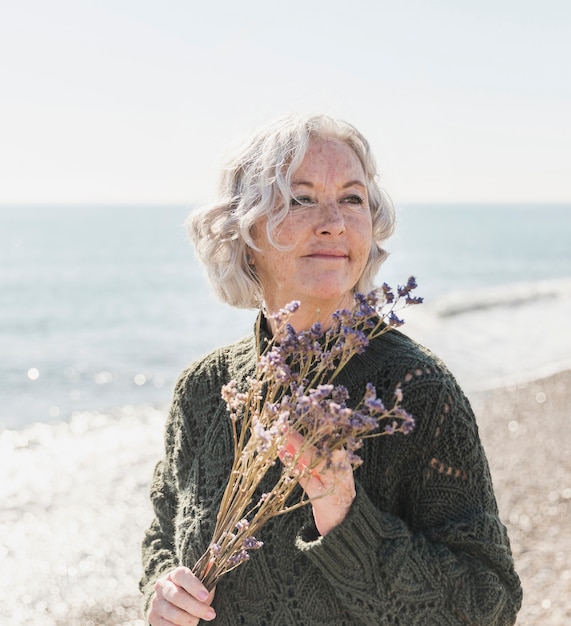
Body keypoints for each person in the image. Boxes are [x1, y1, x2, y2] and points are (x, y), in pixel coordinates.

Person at [140, 114, 523, 625]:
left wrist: (345, 517)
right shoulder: (205, 391)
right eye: (300, 198)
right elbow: (163, 532)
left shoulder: (417, 392)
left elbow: (489, 603)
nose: (334, 222)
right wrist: (162, 591)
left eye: (351, 198)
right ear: (244, 227)